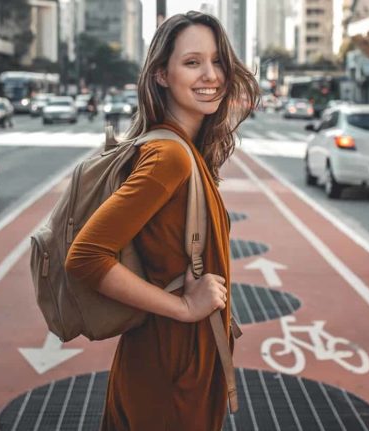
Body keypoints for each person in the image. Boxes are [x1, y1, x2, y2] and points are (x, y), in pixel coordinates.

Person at [65, 11, 259, 431]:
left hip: (180, 363)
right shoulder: (169, 156)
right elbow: (86, 257)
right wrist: (185, 307)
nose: (211, 75)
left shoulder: (186, 149)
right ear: (161, 76)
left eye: (217, 60)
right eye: (192, 63)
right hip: (170, 370)